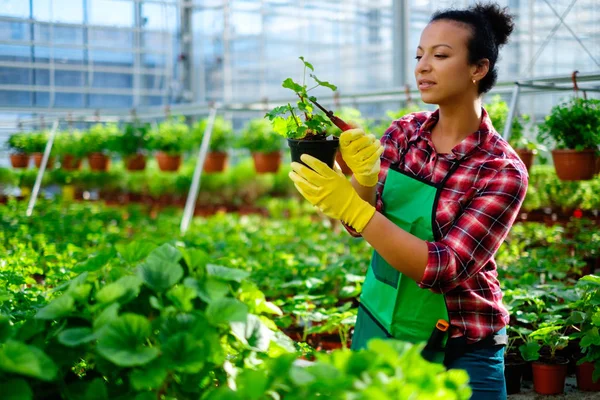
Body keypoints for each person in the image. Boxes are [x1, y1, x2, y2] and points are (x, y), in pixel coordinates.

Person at [288, 3, 527, 399]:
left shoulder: (501, 170)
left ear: (478, 69)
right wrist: (361, 183)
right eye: (419, 55)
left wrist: (352, 205)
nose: (422, 66)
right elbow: (360, 225)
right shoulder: (405, 133)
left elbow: (444, 268)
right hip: (384, 322)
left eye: (441, 55)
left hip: (463, 345)